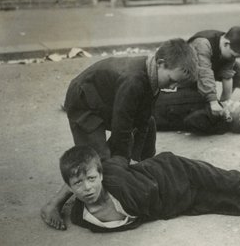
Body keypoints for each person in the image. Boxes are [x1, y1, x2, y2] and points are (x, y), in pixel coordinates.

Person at [41, 38, 198, 230]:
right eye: (172, 81)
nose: (172, 88)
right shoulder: (134, 80)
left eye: (177, 85)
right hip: (84, 102)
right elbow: (121, 129)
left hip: (106, 98)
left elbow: (142, 120)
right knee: (97, 161)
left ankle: (137, 169)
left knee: (148, 125)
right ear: (160, 63)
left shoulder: (154, 75)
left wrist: (139, 163)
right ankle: (54, 204)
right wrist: (121, 165)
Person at [59, 145, 240, 233]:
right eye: (78, 183)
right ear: (69, 186)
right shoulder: (81, 218)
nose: (87, 187)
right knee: (238, 206)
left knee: (228, 181)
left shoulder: (117, 180)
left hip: (175, 171)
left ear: (101, 175)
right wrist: (57, 203)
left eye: (91, 179)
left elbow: (117, 161)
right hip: (178, 204)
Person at [188, 26, 240, 117]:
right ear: (226, 44)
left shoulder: (229, 45)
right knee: (199, 101)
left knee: (238, 68)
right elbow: (204, 73)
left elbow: (227, 74)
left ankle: (221, 103)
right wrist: (213, 101)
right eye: (233, 55)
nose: (233, 59)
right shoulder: (203, 43)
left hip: (209, 65)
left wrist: (225, 102)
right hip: (190, 70)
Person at [154, 86, 240, 134]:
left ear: (228, 117)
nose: (229, 101)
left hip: (160, 114)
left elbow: (190, 121)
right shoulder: (217, 104)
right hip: (166, 99)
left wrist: (214, 114)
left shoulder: (214, 123)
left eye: (231, 105)